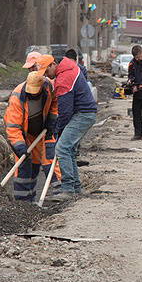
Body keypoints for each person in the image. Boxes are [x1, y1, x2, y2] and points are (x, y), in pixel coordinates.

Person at [4, 71, 58, 202]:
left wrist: (51, 120)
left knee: (35, 165)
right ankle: (21, 201)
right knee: (23, 165)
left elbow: (55, 103)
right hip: (23, 133)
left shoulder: (48, 87)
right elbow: (13, 127)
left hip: (39, 132)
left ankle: (31, 200)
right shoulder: (17, 97)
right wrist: (20, 146)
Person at [52, 57, 97, 197]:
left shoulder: (63, 79)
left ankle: (68, 189)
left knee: (62, 148)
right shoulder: (70, 67)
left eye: (47, 70)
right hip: (85, 112)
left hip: (82, 114)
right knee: (68, 149)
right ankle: (76, 188)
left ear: (54, 64)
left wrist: (59, 129)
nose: (46, 74)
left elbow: (65, 112)